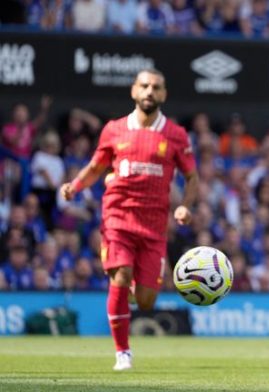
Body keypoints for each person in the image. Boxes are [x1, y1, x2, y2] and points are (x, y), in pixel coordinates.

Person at [60, 69, 199, 371]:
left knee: (146, 301)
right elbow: (96, 166)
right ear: (133, 91)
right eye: (145, 86)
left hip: (154, 225)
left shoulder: (175, 135)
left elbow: (192, 177)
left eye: (156, 87)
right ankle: (122, 352)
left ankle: (134, 289)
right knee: (121, 277)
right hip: (117, 217)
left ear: (164, 94)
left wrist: (186, 206)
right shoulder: (114, 129)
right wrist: (75, 185)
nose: (150, 91)